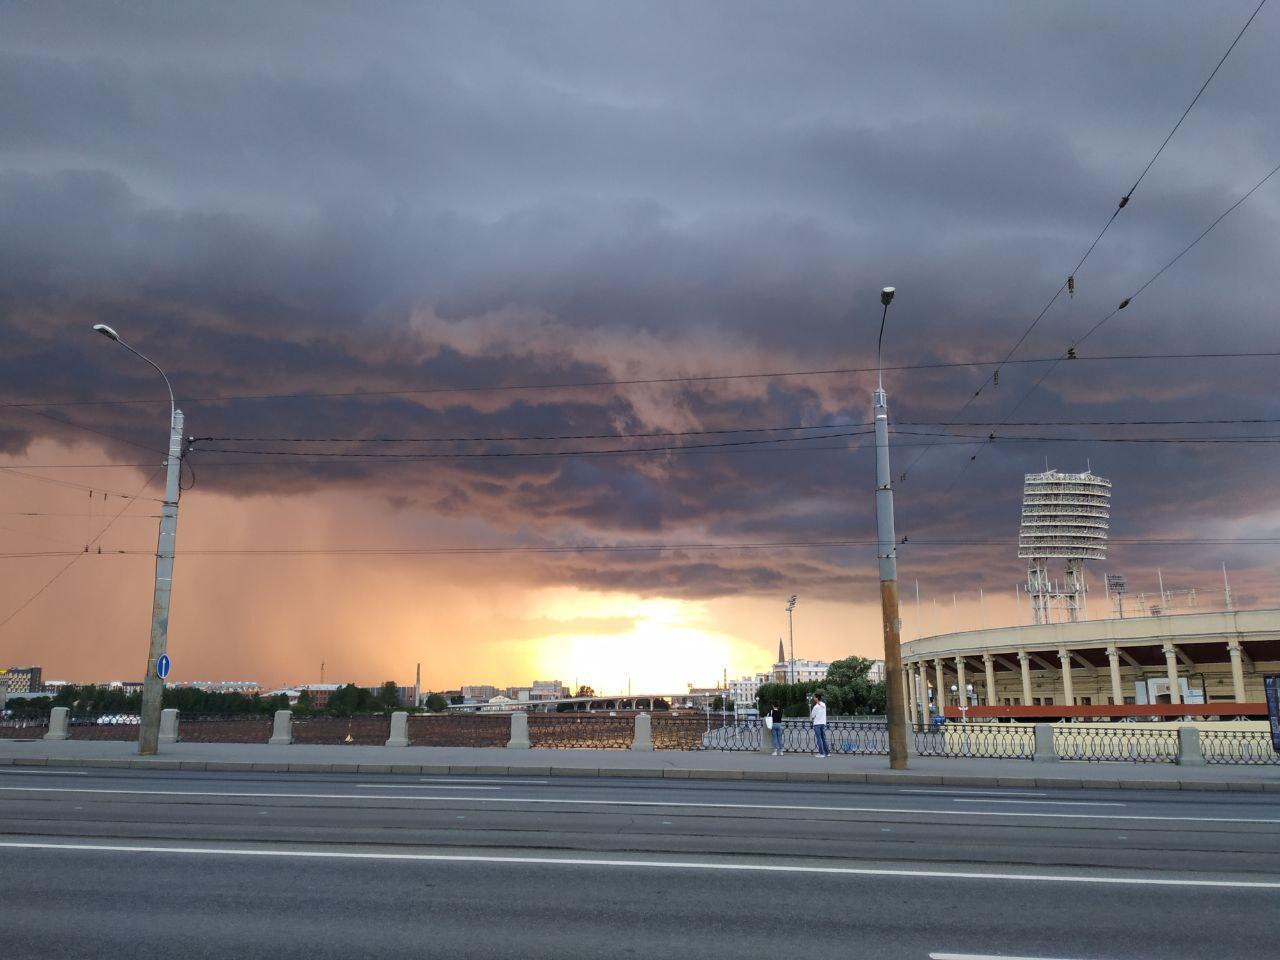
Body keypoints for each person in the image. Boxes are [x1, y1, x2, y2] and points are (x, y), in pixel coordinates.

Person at [810, 692, 829, 757]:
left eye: (814, 697)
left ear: (817, 698)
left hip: (817, 723)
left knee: (819, 738)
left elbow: (812, 716)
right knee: (824, 738)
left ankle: (821, 753)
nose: (813, 698)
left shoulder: (816, 707)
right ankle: (827, 753)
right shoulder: (824, 705)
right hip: (823, 723)